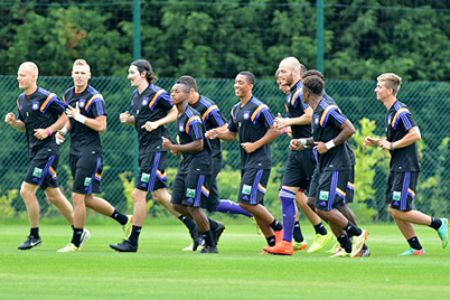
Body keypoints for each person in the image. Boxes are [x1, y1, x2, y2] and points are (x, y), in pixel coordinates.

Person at [111, 59, 198, 252]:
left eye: (132, 72)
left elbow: (175, 111)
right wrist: (129, 119)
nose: (129, 76)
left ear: (143, 74)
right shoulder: (136, 96)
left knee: (138, 194)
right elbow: (140, 119)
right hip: (145, 148)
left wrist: (157, 124)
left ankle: (132, 241)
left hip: (157, 148)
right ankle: (199, 227)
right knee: (160, 195)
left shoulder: (158, 93)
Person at [365, 73, 448, 255]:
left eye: (379, 86)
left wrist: (392, 144)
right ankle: (416, 248)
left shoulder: (401, 111)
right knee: (394, 209)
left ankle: (438, 223)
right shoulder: (390, 112)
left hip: (406, 166)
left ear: (389, 90)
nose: (376, 89)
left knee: (399, 210)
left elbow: (415, 134)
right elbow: (393, 140)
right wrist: (378, 142)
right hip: (397, 166)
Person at [55, 59, 132, 252]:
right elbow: (70, 120)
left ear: (89, 76)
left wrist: (80, 117)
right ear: (72, 74)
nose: (79, 75)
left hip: (90, 151)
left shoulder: (95, 97)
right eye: (76, 72)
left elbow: (102, 126)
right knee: (87, 199)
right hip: (74, 150)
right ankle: (125, 220)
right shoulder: (68, 94)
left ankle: (76, 241)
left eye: (83, 73)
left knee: (77, 196)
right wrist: (63, 130)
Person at [292, 71, 368, 258]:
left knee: (325, 206)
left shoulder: (328, 109)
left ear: (307, 91)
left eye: (302, 89)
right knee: (312, 201)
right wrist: (302, 143)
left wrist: (329, 145)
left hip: (337, 163)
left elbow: (349, 129)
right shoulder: (317, 111)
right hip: (324, 163)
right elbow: (319, 140)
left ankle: (356, 236)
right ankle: (346, 243)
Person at [208, 71, 283, 251]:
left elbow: (275, 130)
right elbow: (232, 135)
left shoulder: (260, 108)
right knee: (255, 204)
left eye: (240, 82)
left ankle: (279, 227)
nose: (236, 85)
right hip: (247, 162)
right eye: (235, 82)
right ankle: (273, 244)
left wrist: (255, 145)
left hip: (260, 161)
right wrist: (217, 133)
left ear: (250, 85)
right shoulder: (236, 109)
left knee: (246, 202)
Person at [4, 62, 75, 250]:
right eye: (18, 75)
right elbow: (24, 126)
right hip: (35, 151)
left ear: (34, 77)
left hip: (48, 150)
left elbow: (66, 115)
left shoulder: (47, 97)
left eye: (23, 75)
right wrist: (14, 122)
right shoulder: (21, 99)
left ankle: (34, 235)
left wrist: (49, 131)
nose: (19, 78)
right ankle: (79, 230)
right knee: (54, 196)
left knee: (26, 191)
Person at [266, 58, 332, 255]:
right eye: (279, 72)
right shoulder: (290, 96)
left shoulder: (301, 93)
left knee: (319, 199)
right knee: (286, 194)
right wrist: (288, 127)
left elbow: (311, 114)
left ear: (296, 72)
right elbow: (300, 123)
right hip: (298, 150)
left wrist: (287, 121)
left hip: (310, 150)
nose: (279, 75)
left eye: (283, 71)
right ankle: (287, 243)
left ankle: (345, 233)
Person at [162, 80, 219, 253]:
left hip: (199, 164)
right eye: (171, 91)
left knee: (194, 206)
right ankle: (213, 226)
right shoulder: (180, 115)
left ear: (187, 95)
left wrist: (173, 147)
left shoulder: (192, 117)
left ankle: (210, 244)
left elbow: (199, 144)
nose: (172, 94)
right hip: (187, 163)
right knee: (177, 203)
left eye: (177, 91)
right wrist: (178, 149)